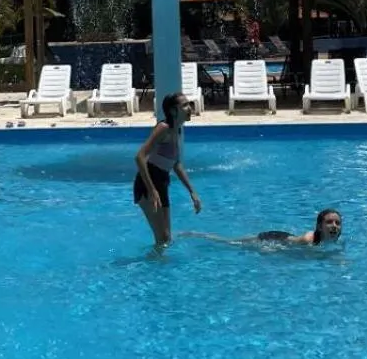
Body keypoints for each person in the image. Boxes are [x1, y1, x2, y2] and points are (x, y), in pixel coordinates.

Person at [134, 91, 202, 247]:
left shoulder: (177, 129)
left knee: (166, 238)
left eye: (189, 104)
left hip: (162, 182)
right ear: (173, 110)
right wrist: (152, 190)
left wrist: (192, 192)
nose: (189, 108)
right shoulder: (163, 128)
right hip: (148, 183)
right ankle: (151, 268)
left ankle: (160, 266)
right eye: (184, 105)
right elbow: (139, 157)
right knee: (162, 238)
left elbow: (176, 164)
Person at [195, 209, 343, 248]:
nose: (334, 226)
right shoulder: (308, 239)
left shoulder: (334, 240)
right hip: (271, 238)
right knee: (229, 242)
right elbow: (289, 250)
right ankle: (199, 235)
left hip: (283, 238)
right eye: (329, 222)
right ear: (319, 226)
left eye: (337, 223)